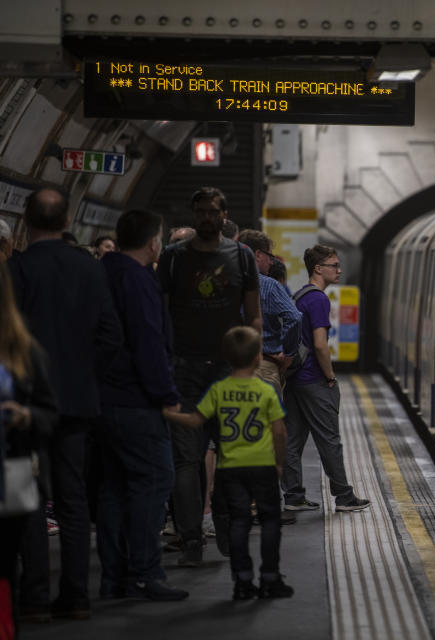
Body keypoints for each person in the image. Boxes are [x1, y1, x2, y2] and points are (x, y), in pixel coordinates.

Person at [8, 188, 123, 621]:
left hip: (27, 405)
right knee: (73, 499)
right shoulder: (90, 269)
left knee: (32, 499)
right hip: (77, 402)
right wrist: (85, 375)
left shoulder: (16, 270)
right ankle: (76, 597)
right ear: (68, 218)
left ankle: (34, 597)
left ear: (25, 217)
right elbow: (111, 335)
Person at [157, 187, 261, 567]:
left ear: (223, 214)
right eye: (199, 211)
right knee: (187, 459)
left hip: (228, 370)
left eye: (212, 212)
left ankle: (222, 520)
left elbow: (253, 316)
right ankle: (190, 540)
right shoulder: (172, 258)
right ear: (193, 213)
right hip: (183, 369)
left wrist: (251, 366)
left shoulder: (242, 256)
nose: (205, 217)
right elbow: (161, 315)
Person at [97, 210, 188, 601]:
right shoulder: (137, 279)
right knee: (154, 481)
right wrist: (167, 395)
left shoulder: (101, 272)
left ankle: (114, 580)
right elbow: (148, 341)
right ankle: (145, 574)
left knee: (114, 489)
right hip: (137, 400)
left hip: (102, 400)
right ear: (154, 243)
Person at [164, 327, 293, 600]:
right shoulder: (266, 390)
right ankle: (270, 578)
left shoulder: (219, 390)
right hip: (262, 467)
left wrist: (168, 414)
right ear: (258, 357)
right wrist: (278, 464)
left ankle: (242, 581)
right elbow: (279, 431)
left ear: (226, 357)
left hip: (229, 469)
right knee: (270, 522)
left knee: (238, 523)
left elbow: (196, 422)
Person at [282, 245, 369, 513]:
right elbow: (320, 344)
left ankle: (294, 496)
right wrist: (330, 377)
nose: (339, 270)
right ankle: (343, 496)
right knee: (329, 439)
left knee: (291, 440)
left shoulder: (300, 295)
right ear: (318, 269)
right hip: (314, 380)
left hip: (296, 378)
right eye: (334, 265)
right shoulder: (319, 299)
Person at [0, 260, 57, 635]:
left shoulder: (23, 352)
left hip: (9, 472)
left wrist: (26, 416)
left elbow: (50, 413)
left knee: (4, 567)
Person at [236, 230, 302, 394]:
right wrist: (288, 354)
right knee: (268, 418)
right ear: (258, 254)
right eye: (270, 257)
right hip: (264, 365)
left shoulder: (227, 281)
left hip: (230, 366)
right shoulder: (270, 285)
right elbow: (294, 318)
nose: (272, 262)